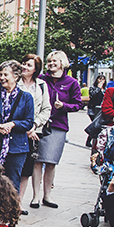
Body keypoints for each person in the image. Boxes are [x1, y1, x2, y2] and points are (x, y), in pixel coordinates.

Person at [31, 50, 82, 209]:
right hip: (39, 124)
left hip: (58, 125)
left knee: (51, 161)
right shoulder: (41, 80)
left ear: (62, 63)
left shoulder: (71, 82)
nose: (51, 64)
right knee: (37, 160)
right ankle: (35, 196)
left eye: (55, 61)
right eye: (49, 61)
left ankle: (47, 196)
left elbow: (78, 104)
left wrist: (64, 106)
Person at [0, 60, 34, 190]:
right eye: (0, 74)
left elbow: (29, 122)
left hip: (17, 146)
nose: (2, 78)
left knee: (13, 180)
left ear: (16, 76)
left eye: (5, 75)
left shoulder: (26, 97)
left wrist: (13, 124)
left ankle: (11, 208)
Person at [16, 53, 51, 213]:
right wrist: (25, 126)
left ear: (36, 69)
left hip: (34, 132)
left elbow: (46, 109)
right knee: (13, 168)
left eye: (29, 65)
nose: (24, 67)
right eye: (24, 63)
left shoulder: (42, 85)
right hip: (17, 130)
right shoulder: (15, 82)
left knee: (26, 170)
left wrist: (35, 125)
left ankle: (19, 201)